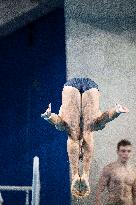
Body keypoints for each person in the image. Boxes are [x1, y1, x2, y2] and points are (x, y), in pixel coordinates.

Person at [41, 78, 129, 198]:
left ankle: (76, 174)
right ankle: (84, 175)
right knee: (90, 129)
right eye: (82, 153)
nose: (81, 149)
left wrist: (49, 117)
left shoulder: (68, 130)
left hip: (71, 89)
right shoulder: (94, 126)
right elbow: (105, 118)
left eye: (79, 153)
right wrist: (116, 111)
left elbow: (58, 122)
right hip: (90, 89)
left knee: (71, 131)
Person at [96, 139, 136, 205]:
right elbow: (99, 191)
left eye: (129, 151)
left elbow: (135, 194)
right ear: (117, 152)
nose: (126, 154)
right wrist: (97, 202)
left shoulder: (133, 171)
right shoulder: (109, 169)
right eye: (123, 151)